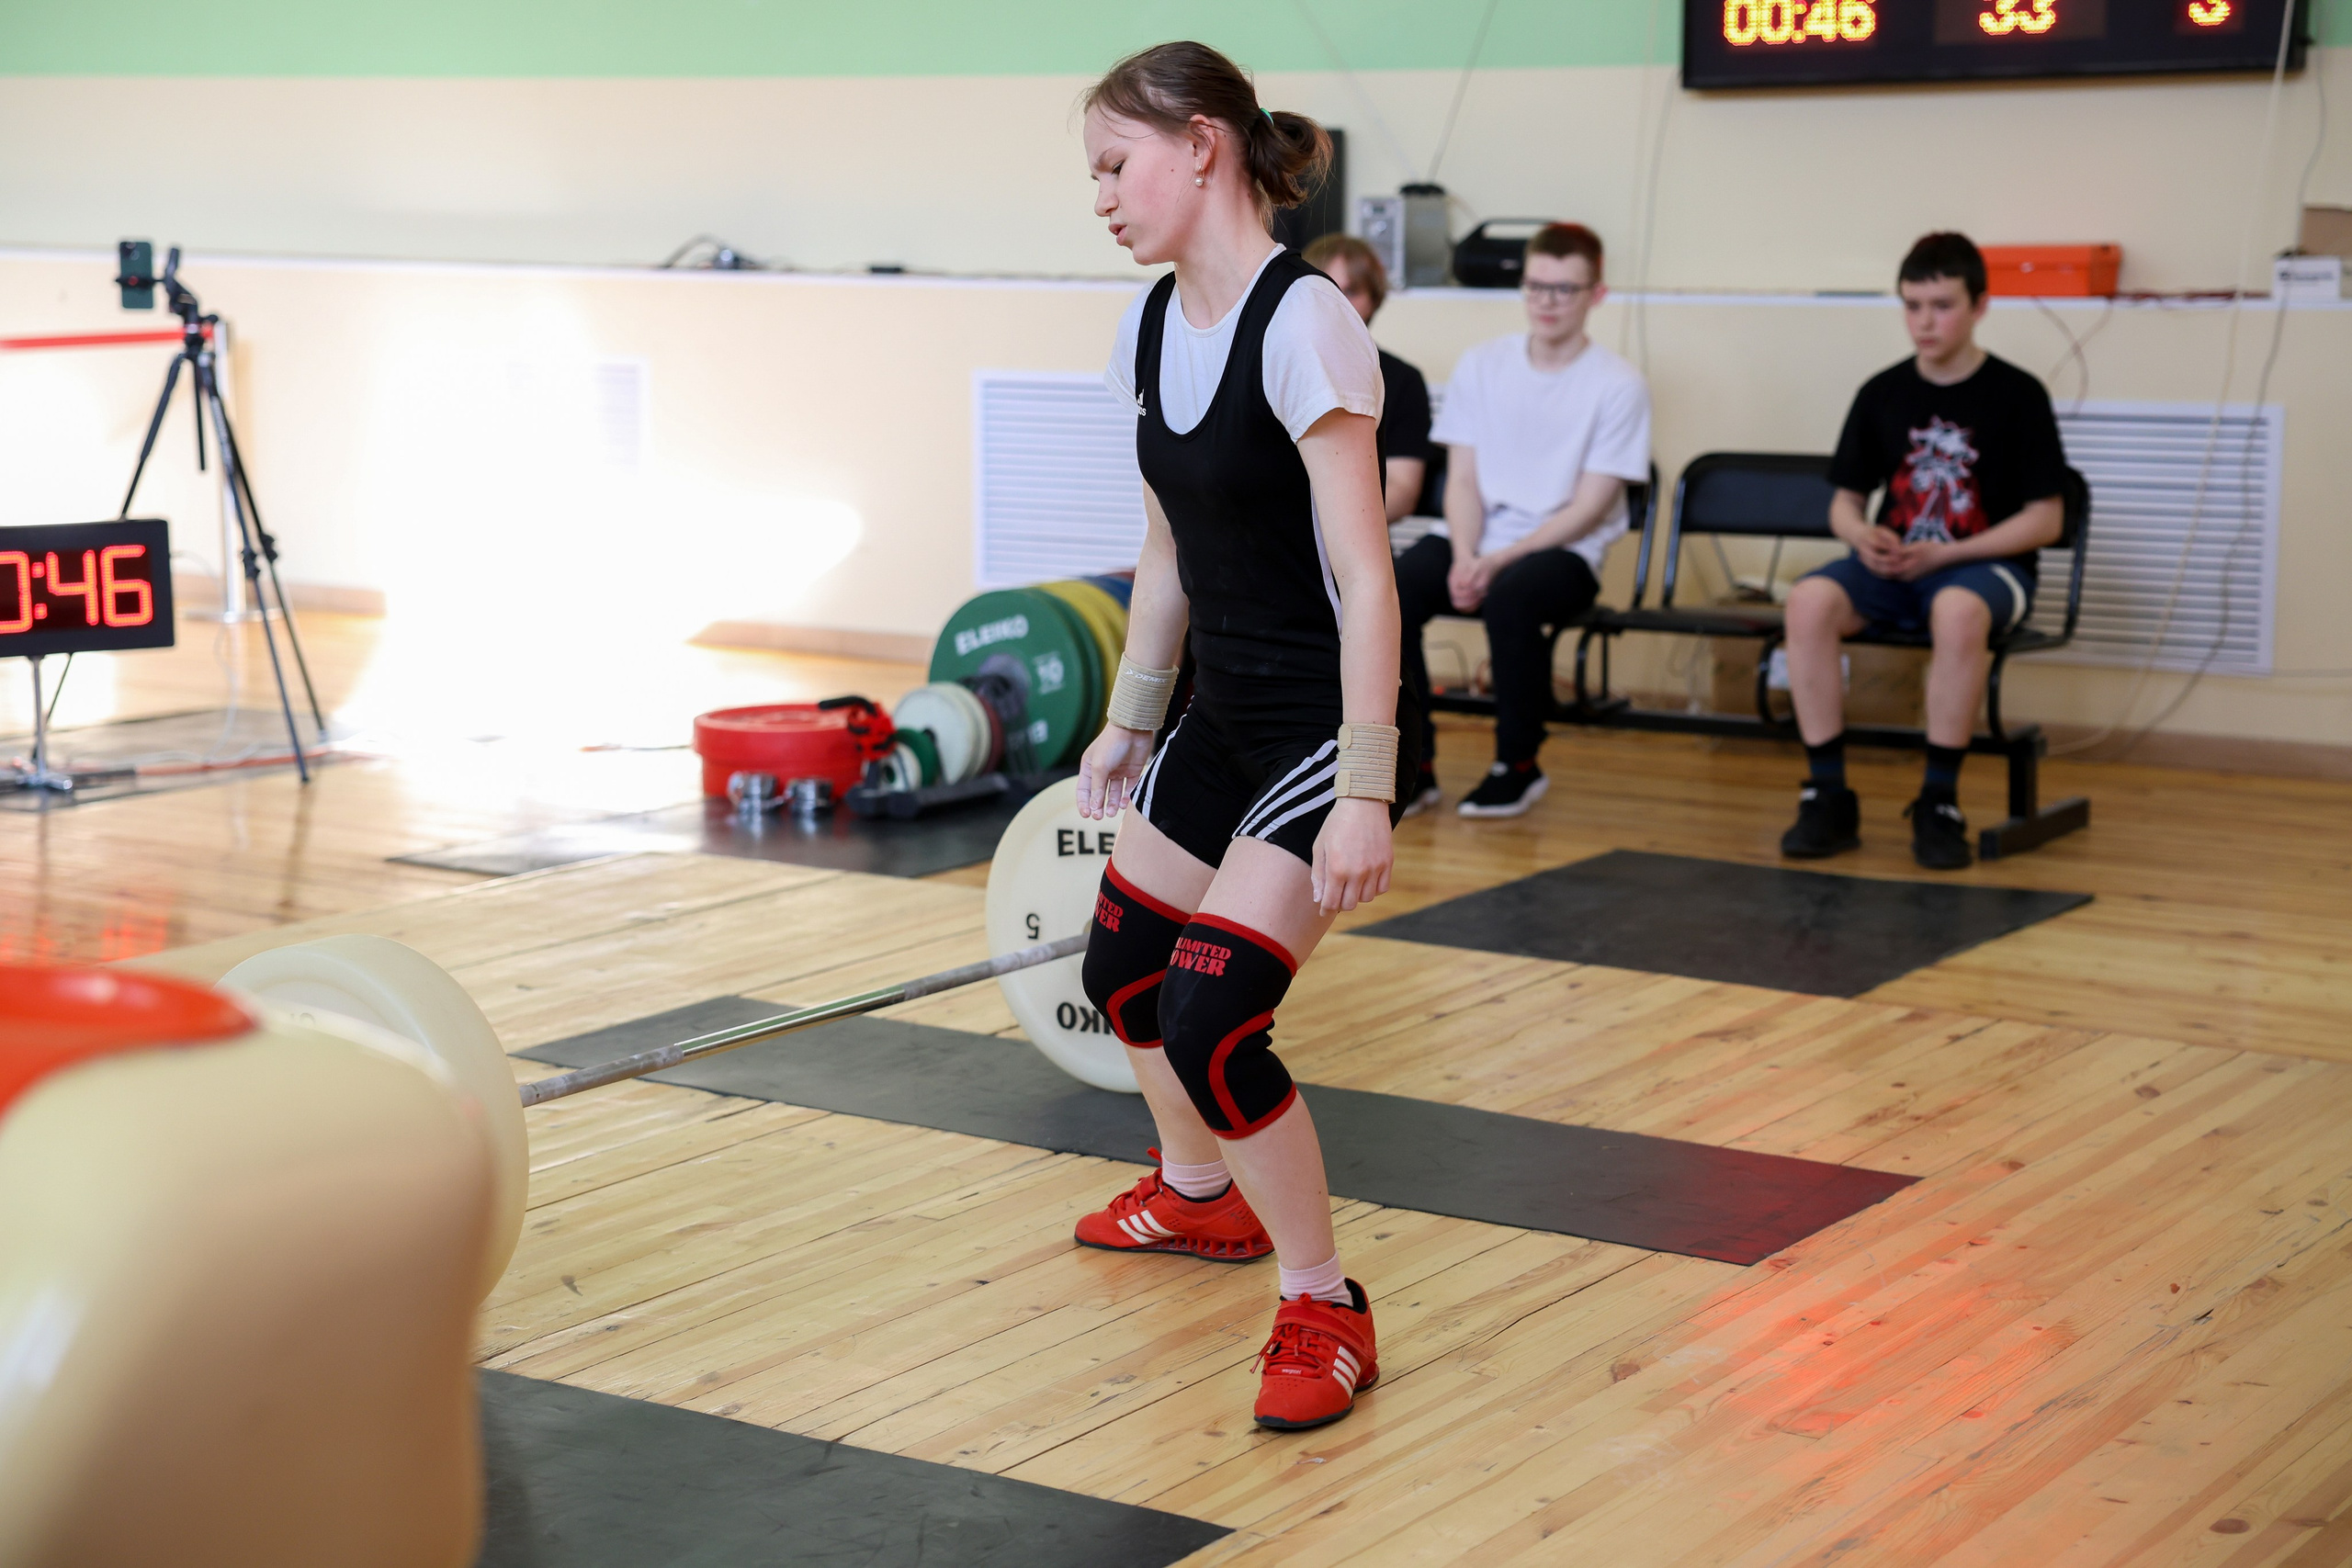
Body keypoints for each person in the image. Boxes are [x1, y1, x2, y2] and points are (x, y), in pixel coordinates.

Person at [1070, 41, 1418, 1433]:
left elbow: (1368, 578)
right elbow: (1167, 547)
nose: (1101, 196)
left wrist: (1368, 786)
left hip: (1325, 729)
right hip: (1220, 715)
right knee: (1121, 968)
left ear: (1202, 144)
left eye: (1117, 164)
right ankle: (1198, 1192)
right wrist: (1128, 720)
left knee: (1214, 1021)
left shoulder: (1306, 322)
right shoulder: (1153, 325)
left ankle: (1325, 1301)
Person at [1780, 231, 2067, 871]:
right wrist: (1862, 536)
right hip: (1894, 568)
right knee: (1807, 601)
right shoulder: (1882, 392)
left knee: (1958, 612)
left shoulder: (2018, 395)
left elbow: (2046, 520)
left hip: (1986, 568)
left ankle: (1940, 802)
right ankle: (1827, 794)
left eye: (1942, 306)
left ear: (1980, 307)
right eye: (1913, 306)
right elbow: (1844, 503)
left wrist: (1948, 555)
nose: (1924, 322)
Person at [1393, 223, 1651, 818]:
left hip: (1566, 551)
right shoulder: (1483, 364)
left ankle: (1518, 764)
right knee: (1396, 588)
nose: (1547, 302)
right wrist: (1465, 555)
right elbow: (1461, 481)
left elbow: (1589, 508)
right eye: (1536, 286)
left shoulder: (1619, 384)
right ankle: (1414, 765)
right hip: (1473, 537)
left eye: (1564, 289)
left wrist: (1495, 562)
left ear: (1596, 294)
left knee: (1511, 598)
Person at [1301, 233, 1442, 531]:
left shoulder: (1402, 380)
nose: (1338, 302)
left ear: (1374, 299)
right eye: (1326, 288)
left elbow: (1402, 491)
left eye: (1352, 291)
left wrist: (1322, 529)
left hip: (1353, 538)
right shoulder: (1272, 367)